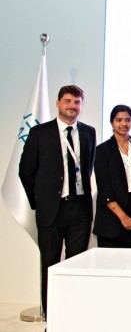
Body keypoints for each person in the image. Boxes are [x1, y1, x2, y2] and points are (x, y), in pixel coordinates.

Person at [19, 85, 96, 315]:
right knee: (50, 264)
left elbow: (88, 166)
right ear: (58, 103)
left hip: (80, 209)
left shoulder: (88, 132)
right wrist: (40, 201)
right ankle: (51, 315)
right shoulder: (39, 133)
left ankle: (72, 313)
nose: (72, 106)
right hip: (51, 210)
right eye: (68, 101)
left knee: (76, 264)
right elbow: (26, 171)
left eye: (77, 102)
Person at [93, 105, 131, 248]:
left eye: (127, 120)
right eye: (119, 120)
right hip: (111, 220)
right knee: (109, 262)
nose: (123, 124)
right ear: (112, 122)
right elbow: (104, 188)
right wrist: (124, 218)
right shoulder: (102, 150)